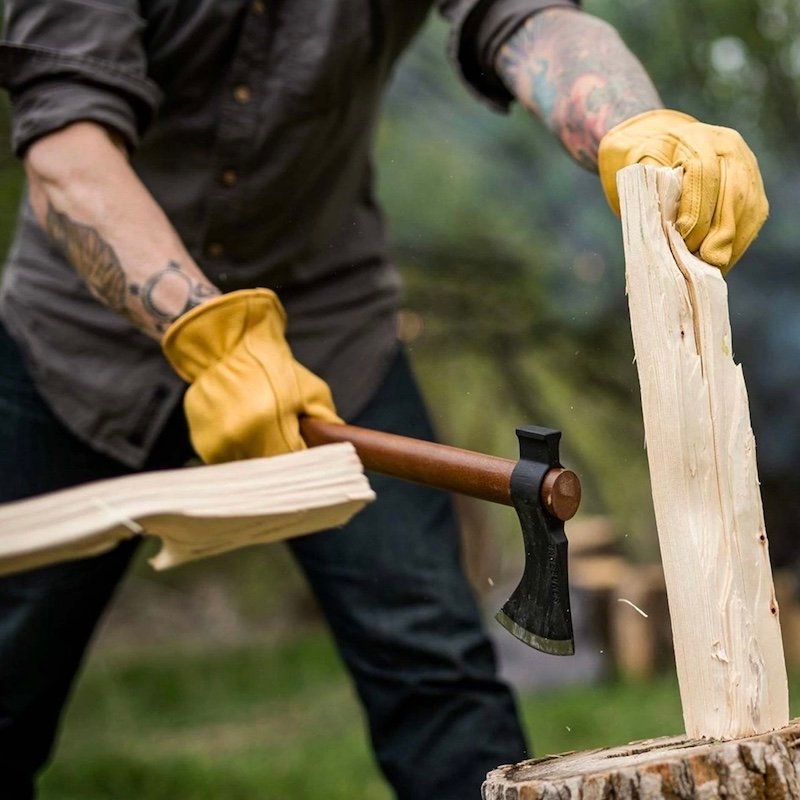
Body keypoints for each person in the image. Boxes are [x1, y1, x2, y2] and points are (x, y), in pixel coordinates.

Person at [0, 1, 767, 798]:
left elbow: (526, 15)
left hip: (327, 333)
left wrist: (635, 126)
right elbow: (64, 144)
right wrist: (209, 334)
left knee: (437, 672)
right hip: (73, 348)